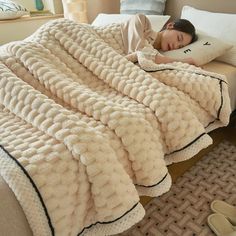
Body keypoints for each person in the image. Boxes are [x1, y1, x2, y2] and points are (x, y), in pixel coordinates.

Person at [121, 14, 197, 65]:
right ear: (170, 25)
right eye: (179, 38)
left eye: (180, 47)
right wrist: (183, 62)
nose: (176, 46)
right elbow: (137, 55)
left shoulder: (159, 55)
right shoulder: (142, 20)